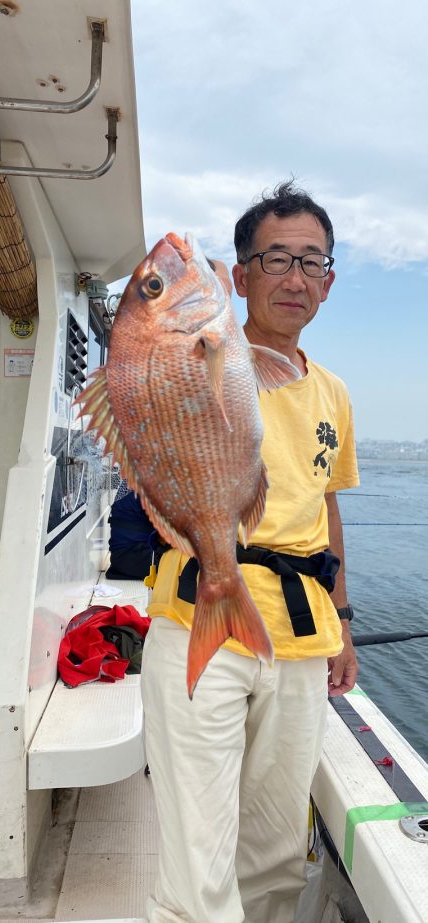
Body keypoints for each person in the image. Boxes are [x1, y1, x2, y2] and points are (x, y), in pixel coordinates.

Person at [141, 181, 359, 923]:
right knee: (199, 861)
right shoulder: (202, 358)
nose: (296, 278)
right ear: (236, 277)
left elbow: (325, 505)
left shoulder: (332, 391)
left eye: (314, 262)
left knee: (271, 852)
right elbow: (148, 410)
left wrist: (344, 619)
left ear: (328, 281)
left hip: (300, 639)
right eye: (276, 259)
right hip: (199, 607)